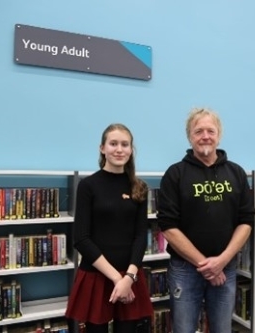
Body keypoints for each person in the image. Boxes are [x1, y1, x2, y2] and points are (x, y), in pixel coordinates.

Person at [157, 107, 255, 333]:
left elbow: (246, 220)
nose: (205, 136)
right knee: (183, 329)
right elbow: (168, 226)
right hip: (185, 271)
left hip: (226, 267)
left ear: (219, 134)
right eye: (198, 131)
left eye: (210, 130)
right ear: (189, 136)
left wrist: (222, 261)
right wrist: (207, 265)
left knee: (222, 329)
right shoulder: (175, 174)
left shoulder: (237, 173)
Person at [65, 123, 153, 333]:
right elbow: (81, 239)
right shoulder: (88, 186)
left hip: (130, 276)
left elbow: (141, 236)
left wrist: (129, 278)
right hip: (97, 276)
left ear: (131, 150)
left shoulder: (139, 187)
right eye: (113, 143)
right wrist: (117, 279)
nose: (119, 149)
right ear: (102, 148)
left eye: (125, 144)